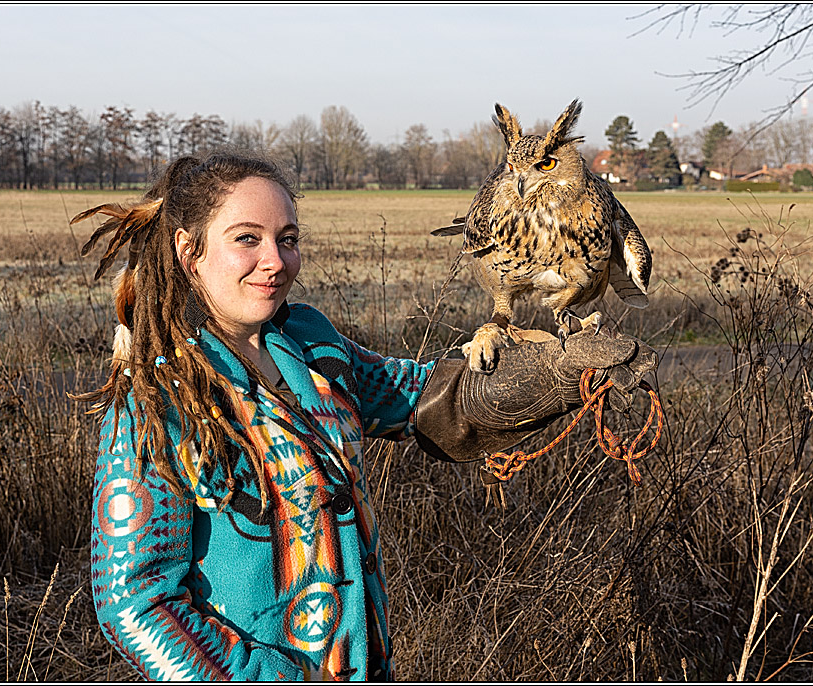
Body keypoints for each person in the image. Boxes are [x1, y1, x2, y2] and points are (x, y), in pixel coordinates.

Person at [73, 151, 655, 681]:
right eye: (247, 239)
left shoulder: (311, 344)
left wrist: (558, 376)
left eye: (287, 238)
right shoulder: (157, 399)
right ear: (188, 251)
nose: (275, 261)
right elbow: (135, 604)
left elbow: (425, 400)